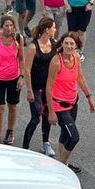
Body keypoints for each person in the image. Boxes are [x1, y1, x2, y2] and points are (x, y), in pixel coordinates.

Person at [46, 32, 95, 173]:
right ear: (61, 44)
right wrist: (51, 112)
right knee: (74, 137)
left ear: (76, 46)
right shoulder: (56, 62)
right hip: (59, 105)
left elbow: (80, 77)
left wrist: (89, 96)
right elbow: (49, 87)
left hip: (73, 102)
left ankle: (63, 163)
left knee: (65, 135)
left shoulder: (76, 58)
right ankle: (61, 168)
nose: (68, 46)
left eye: (72, 44)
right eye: (66, 43)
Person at [23, 17, 58, 156]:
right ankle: (25, 147)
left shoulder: (54, 43)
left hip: (49, 87)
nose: (55, 30)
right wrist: (29, 90)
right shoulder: (33, 47)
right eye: (53, 27)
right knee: (36, 116)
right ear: (47, 30)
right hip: (36, 87)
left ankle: (46, 143)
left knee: (47, 114)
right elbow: (26, 70)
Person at [0, 15, 25, 145]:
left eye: (11, 26)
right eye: (6, 26)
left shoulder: (19, 38)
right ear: (1, 27)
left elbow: (21, 58)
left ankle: (10, 131)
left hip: (14, 78)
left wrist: (22, 77)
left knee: (12, 106)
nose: (9, 28)